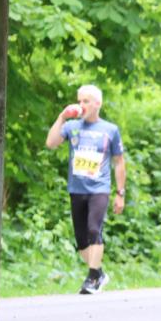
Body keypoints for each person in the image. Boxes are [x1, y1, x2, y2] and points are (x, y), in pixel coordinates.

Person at [45, 84, 126, 295]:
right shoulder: (71, 126)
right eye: (79, 101)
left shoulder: (110, 130)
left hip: (99, 188)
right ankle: (98, 273)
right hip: (77, 189)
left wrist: (120, 193)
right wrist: (62, 117)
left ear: (98, 104)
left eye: (86, 101)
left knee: (93, 230)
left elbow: (119, 162)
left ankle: (91, 277)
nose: (81, 105)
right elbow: (51, 143)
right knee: (82, 240)